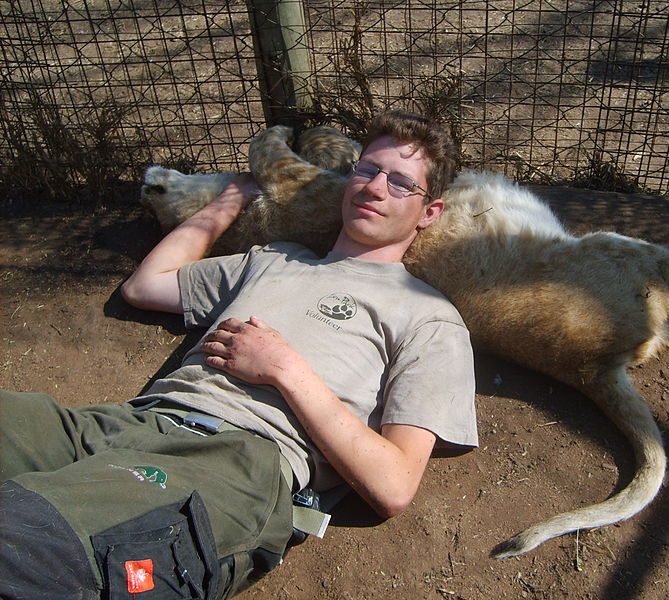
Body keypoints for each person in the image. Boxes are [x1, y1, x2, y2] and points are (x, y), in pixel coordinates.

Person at [0, 110, 478, 600]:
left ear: (429, 212)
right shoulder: (275, 257)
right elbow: (146, 286)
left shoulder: (429, 318)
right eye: (366, 170)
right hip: (136, 424)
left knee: (29, 540)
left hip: (236, 464)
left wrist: (285, 371)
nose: (374, 188)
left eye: (400, 183)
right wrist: (228, 201)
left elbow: (394, 485)